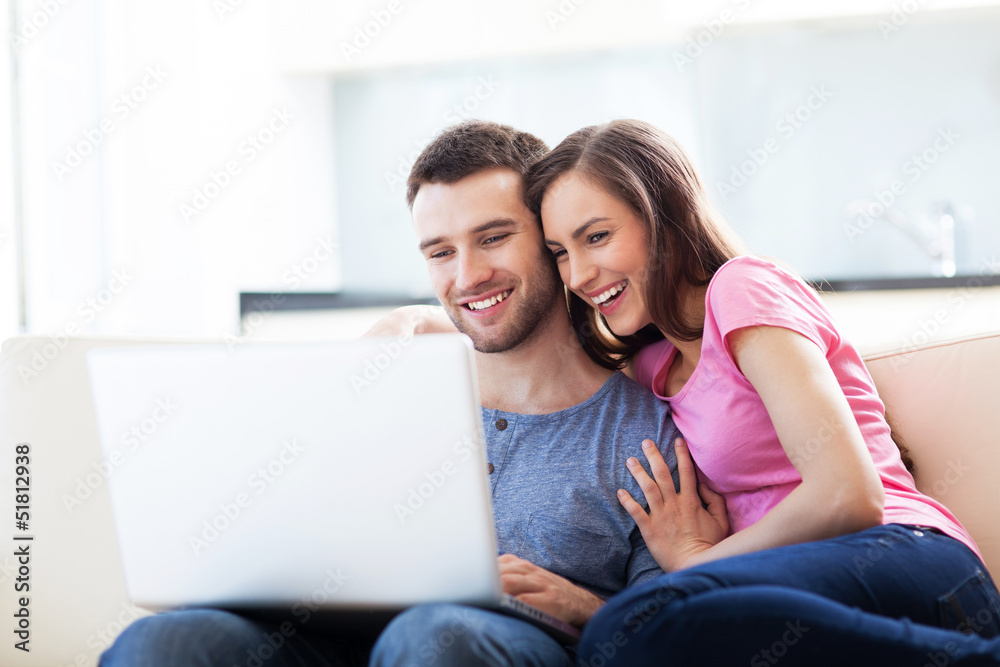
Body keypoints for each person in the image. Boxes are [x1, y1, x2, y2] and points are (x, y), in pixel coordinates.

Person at [100, 120, 682, 667]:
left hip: (492, 646)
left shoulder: (644, 431)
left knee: (432, 638)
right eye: (441, 252)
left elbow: (667, 626)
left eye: (494, 237)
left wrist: (586, 609)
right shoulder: (380, 392)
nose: (468, 275)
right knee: (166, 640)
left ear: (552, 242)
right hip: (333, 639)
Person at [526, 119, 1000, 666]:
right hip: (786, 603)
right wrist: (430, 320)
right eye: (560, 252)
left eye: (597, 236)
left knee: (631, 622)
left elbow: (849, 496)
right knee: (630, 636)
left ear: (663, 218)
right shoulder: (650, 367)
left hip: (905, 556)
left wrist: (696, 562)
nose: (579, 273)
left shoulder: (741, 289)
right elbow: (534, 352)